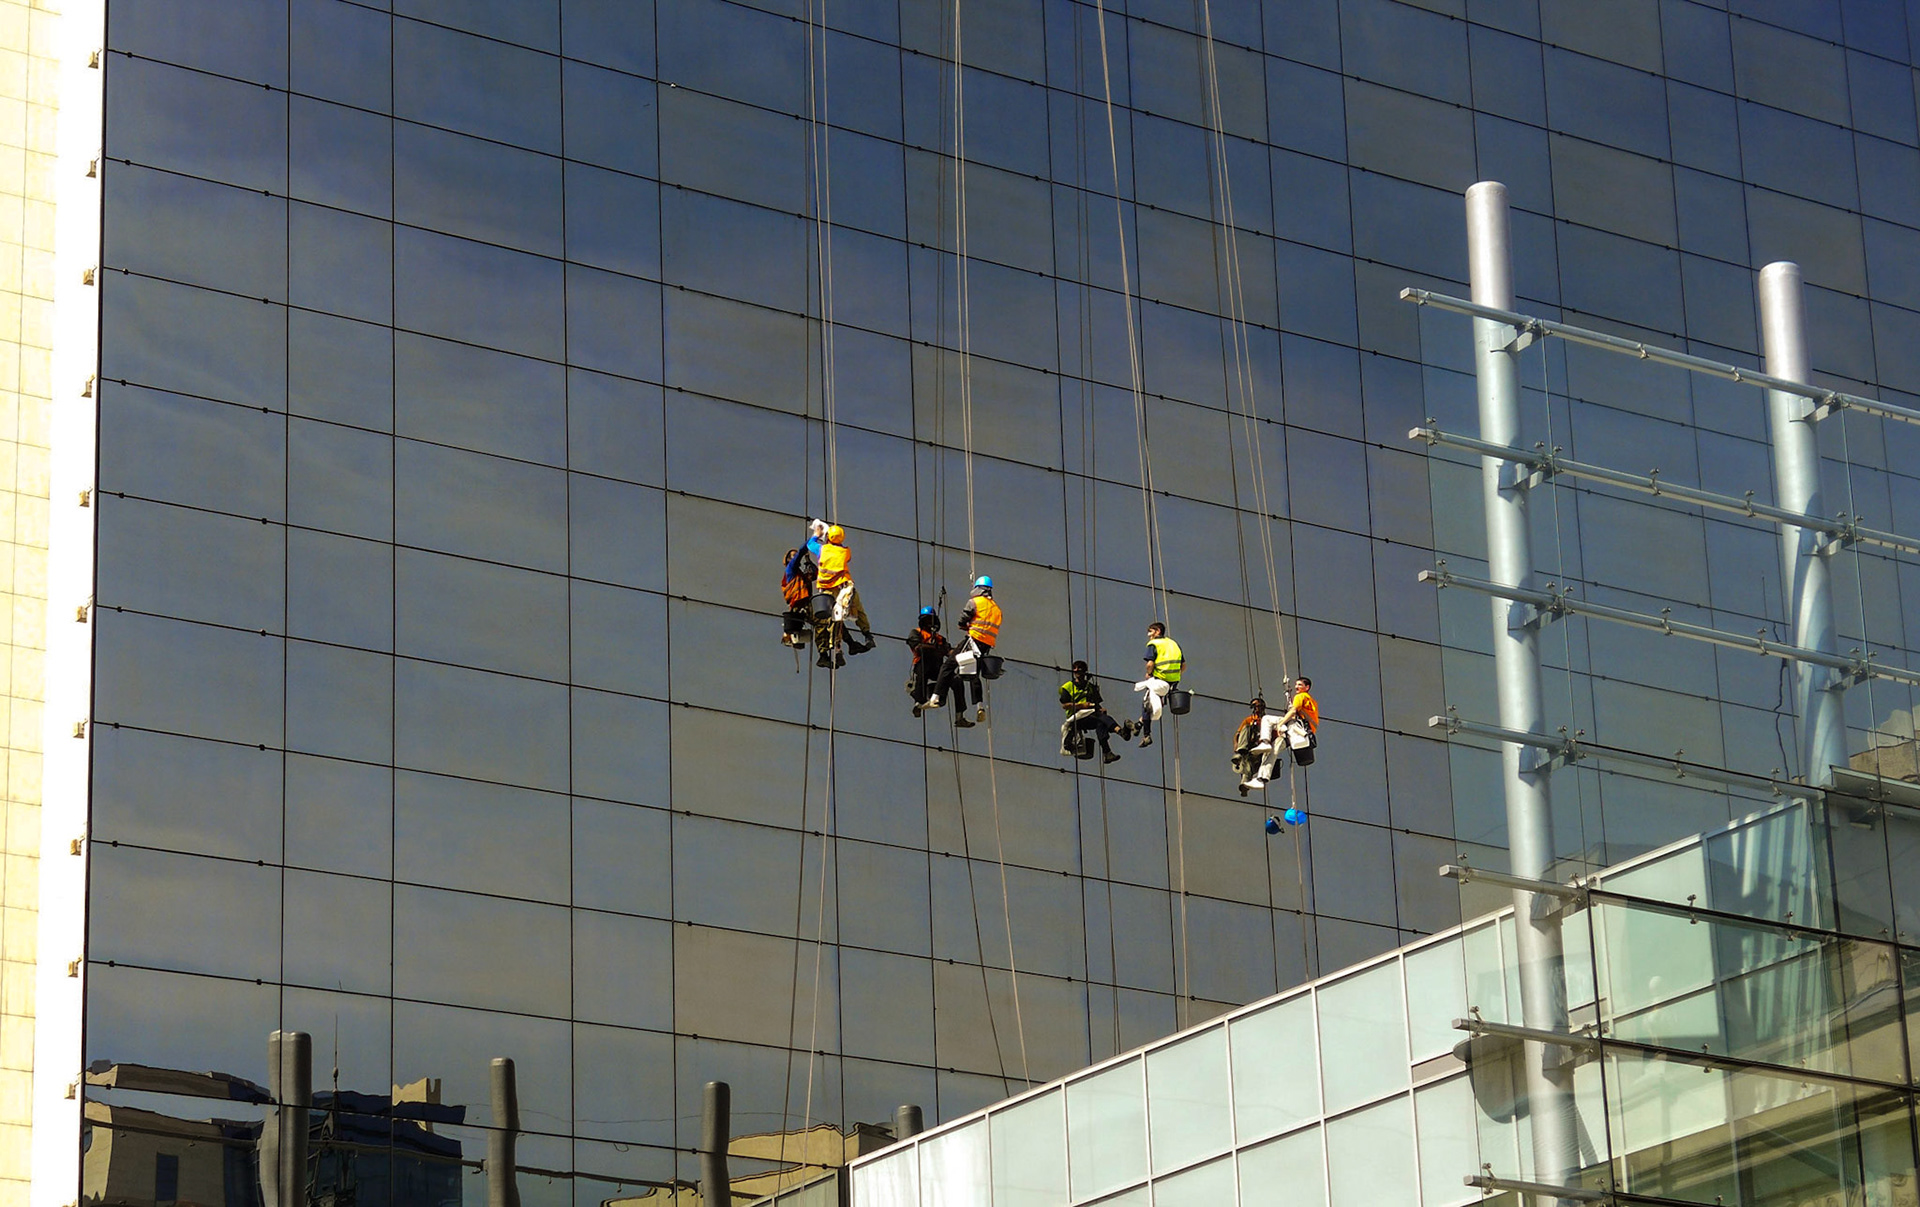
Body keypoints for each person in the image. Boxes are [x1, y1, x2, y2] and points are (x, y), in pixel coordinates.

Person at [929, 575, 1001, 727]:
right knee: (973, 674)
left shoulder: (975, 602)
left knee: (948, 665)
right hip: (985, 645)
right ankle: (980, 706)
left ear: (978, 588)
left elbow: (963, 619)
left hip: (973, 640)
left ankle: (936, 697)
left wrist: (964, 625)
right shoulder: (996, 609)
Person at [813, 524, 874, 667]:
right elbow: (845, 556)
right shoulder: (845, 551)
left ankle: (835, 646)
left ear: (828, 537)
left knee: (833, 618)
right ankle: (867, 634)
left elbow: (811, 544)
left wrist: (817, 533)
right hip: (844, 587)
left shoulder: (822, 549)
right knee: (857, 610)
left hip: (828, 590)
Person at [1059, 660, 1128, 764]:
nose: (1077, 670)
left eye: (1080, 668)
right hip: (1075, 718)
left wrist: (1100, 708)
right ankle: (1119, 731)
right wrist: (1081, 705)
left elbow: (1096, 703)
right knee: (1099, 718)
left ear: (1085, 671)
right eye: (1075, 668)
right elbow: (1065, 705)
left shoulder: (1090, 687)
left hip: (1089, 717)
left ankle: (1107, 752)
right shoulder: (1068, 686)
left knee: (1101, 722)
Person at [1132, 621, 1183, 747]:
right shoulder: (1174, 644)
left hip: (1159, 679)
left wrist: (1149, 674)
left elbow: (1150, 664)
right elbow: (1183, 666)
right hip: (1172, 682)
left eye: (1150, 631)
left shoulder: (1154, 644)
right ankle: (1138, 724)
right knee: (1157, 704)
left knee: (1147, 703)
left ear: (1158, 631)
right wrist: (1173, 675)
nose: (1149, 635)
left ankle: (1146, 735)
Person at [1235, 695, 1289, 794]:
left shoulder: (1268, 721)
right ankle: (1244, 784)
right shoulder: (1249, 721)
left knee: (1258, 762)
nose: (1257, 709)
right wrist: (1236, 748)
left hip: (1263, 751)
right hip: (1251, 747)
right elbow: (1239, 734)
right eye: (1255, 706)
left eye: (1259, 706)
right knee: (1247, 763)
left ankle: (1248, 783)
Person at [906, 607, 949, 716]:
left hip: (937, 666)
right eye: (927, 620)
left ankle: (938, 696)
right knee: (923, 671)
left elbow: (947, 651)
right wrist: (935, 648)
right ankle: (919, 700)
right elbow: (918, 647)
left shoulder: (940, 638)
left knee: (951, 677)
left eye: (932, 620)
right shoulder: (917, 632)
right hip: (922, 664)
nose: (930, 623)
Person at [780, 546, 815, 648]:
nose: (796, 557)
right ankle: (791, 638)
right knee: (795, 623)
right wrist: (805, 549)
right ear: (788, 559)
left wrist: (808, 560)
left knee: (820, 622)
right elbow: (797, 558)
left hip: (805, 603)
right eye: (793, 555)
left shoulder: (800, 576)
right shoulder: (790, 570)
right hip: (797, 602)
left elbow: (814, 574)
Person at [1279, 675, 1318, 767]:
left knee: (1267, 719)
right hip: (1307, 730)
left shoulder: (1300, 696)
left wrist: (1280, 724)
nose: (1296, 687)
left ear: (1307, 687)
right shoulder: (1311, 700)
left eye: (1300, 685)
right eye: (1296, 684)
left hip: (1300, 728)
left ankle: (1264, 742)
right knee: (1279, 745)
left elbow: (1293, 711)